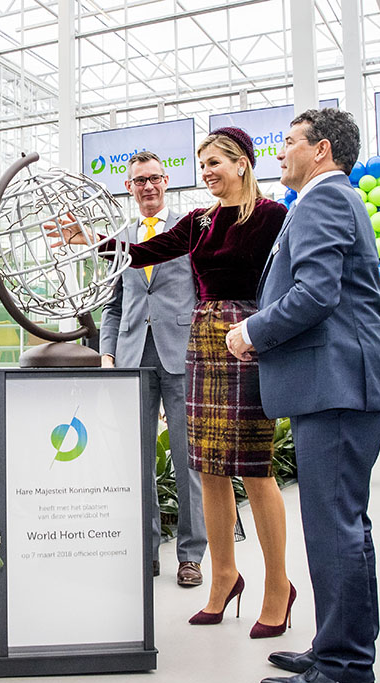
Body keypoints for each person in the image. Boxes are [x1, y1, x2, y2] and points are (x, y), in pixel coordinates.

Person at [61, 127, 291, 634]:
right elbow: (145, 252)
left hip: (249, 338)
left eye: (214, 163)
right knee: (206, 465)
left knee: (253, 468)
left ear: (243, 164)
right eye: (201, 164)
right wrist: (91, 241)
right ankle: (223, 576)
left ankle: (278, 586)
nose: (206, 172)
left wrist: (265, 332)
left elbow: (289, 282)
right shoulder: (200, 220)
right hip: (203, 341)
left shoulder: (275, 216)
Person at [226, 109, 380, 683]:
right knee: (341, 526)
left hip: (339, 386)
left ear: (321, 151)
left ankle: (346, 670)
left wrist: (251, 331)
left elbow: (316, 293)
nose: (281, 154)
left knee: (335, 529)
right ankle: (336, 649)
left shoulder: (325, 201)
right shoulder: (330, 201)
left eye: (290, 143)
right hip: (338, 384)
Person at [99, 150, 207, 587]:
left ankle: (190, 555)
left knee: (188, 461)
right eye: (139, 180)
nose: (148, 187)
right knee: (136, 463)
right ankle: (146, 551)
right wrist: (107, 355)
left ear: (167, 182)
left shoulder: (190, 232)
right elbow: (113, 306)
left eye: (155, 179)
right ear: (129, 187)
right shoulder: (118, 241)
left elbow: (202, 295)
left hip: (180, 357)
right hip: (132, 359)